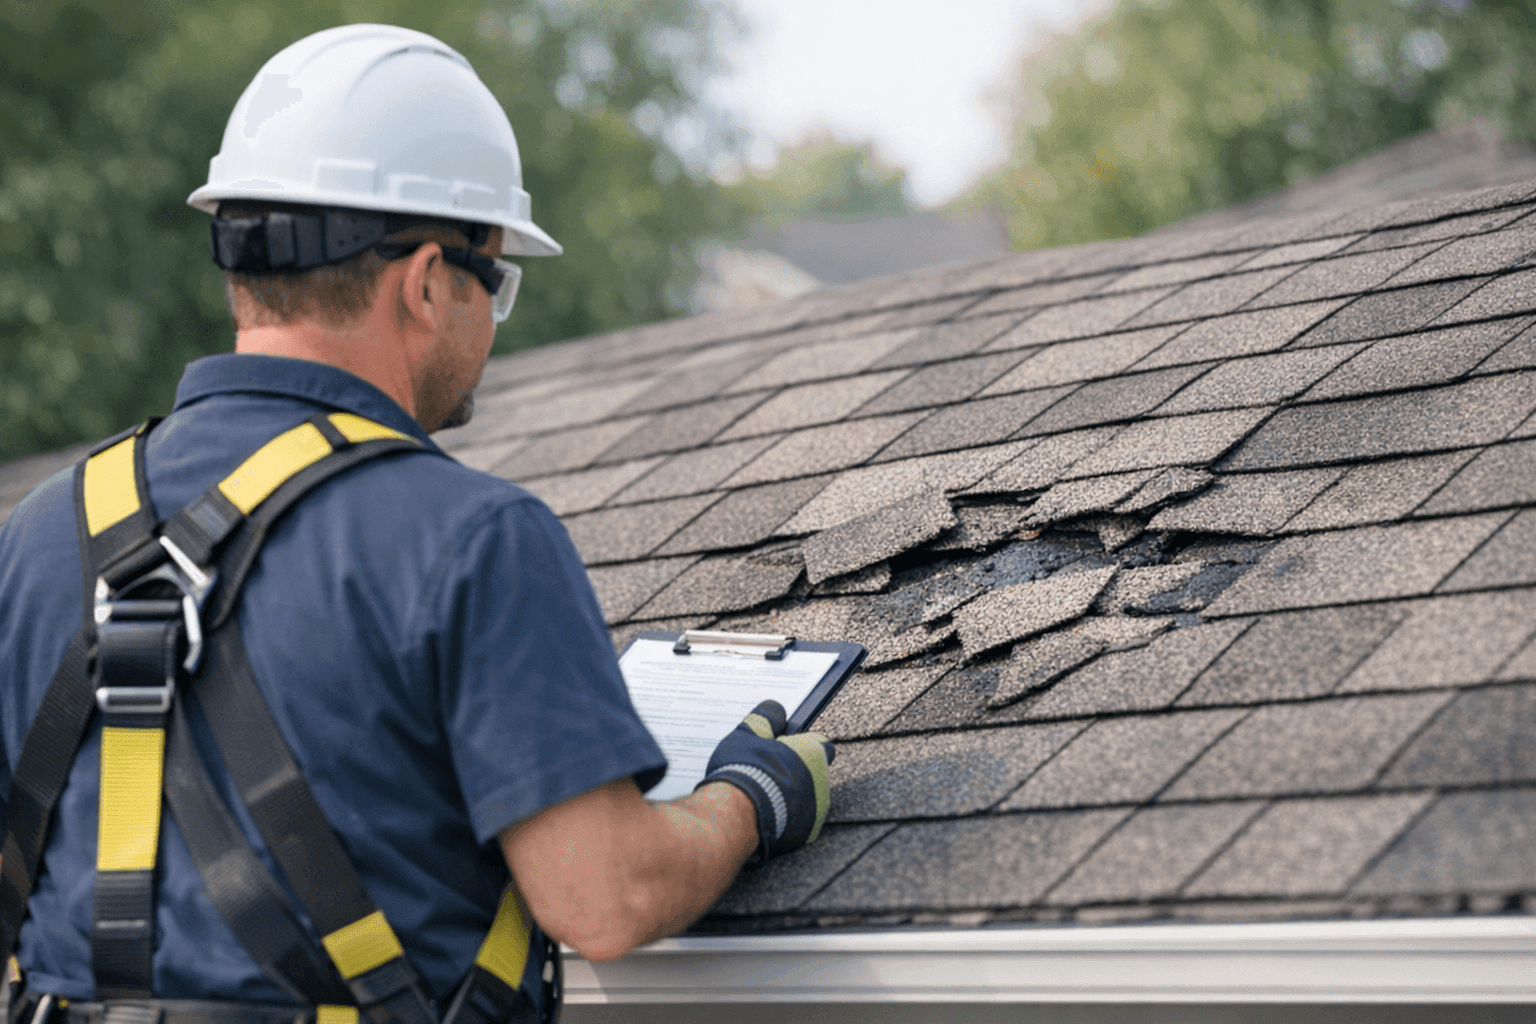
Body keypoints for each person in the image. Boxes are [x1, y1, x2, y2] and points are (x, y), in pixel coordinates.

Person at [0, 23, 833, 1024]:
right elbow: (606, 897)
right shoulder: (472, 537)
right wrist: (752, 797)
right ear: (428, 280)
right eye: (496, 279)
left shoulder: (42, 532)